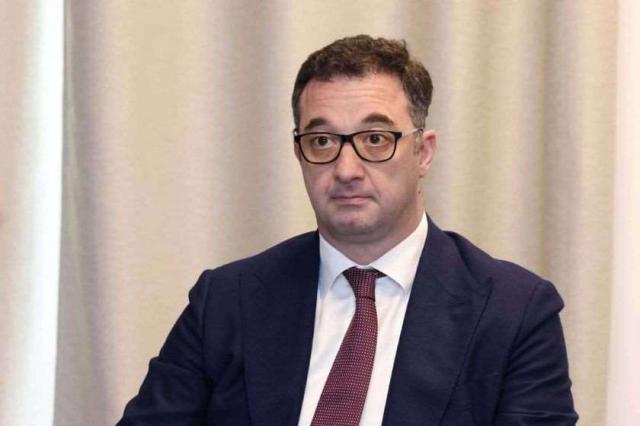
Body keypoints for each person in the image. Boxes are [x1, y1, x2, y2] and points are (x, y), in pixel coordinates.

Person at [118, 35, 577, 425]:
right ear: (299, 154)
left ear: (423, 152)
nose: (346, 169)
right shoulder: (226, 301)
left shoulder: (514, 312)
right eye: (322, 141)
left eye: (375, 139)